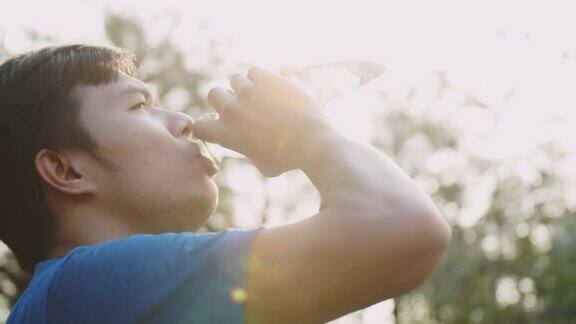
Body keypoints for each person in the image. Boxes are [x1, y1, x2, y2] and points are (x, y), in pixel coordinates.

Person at [0, 44, 451, 323]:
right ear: (66, 171)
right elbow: (400, 228)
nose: (183, 122)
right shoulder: (90, 287)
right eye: (139, 107)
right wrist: (308, 133)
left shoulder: (83, 299)